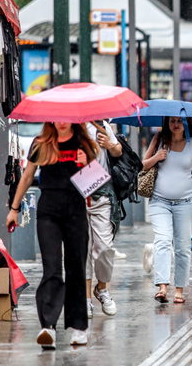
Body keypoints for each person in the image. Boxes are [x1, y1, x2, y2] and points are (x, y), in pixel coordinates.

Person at [6, 122, 98, 348]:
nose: (61, 121)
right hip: (49, 212)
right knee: (52, 267)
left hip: (76, 211)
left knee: (76, 267)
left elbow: (94, 189)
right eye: (57, 117)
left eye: (66, 117)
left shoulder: (84, 145)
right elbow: (27, 177)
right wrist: (14, 209)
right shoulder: (41, 144)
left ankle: (78, 327)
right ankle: (48, 326)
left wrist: (86, 165)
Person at [142, 116, 192, 304]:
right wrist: (157, 157)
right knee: (163, 241)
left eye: (179, 121)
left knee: (182, 246)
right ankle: (163, 287)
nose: (175, 124)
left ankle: (179, 289)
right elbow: (141, 165)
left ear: (187, 123)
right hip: (159, 201)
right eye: (171, 121)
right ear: (166, 123)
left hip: (186, 201)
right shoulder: (158, 139)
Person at [85, 121, 122, 318]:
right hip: (76, 190)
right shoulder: (70, 126)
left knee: (105, 247)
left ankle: (102, 289)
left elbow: (118, 151)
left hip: (102, 190)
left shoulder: (102, 125)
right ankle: (86, 300)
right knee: (83, 248)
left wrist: (109, 144)